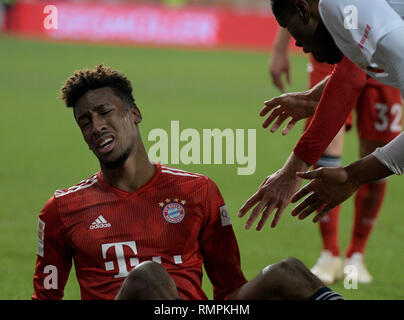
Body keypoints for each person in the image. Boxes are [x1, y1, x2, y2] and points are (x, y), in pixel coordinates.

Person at [32, 64, 342, 300]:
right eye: (85, 122)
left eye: (104, 112)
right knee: (148, 277)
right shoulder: (62, 209)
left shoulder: (198, 191)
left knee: (287, 272)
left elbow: (229, 289)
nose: (96, 126)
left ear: (135, 114)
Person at [238, 0, 404, 234]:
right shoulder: (351, 10)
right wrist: (316, 97)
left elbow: (352, 76)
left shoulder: (335, 6)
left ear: (303, 9)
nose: (299, 45)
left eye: (290, 28)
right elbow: (351, 73)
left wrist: (353, 176)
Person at [267, 26, 402, 284]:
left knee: (377, 158)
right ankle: (329, 252)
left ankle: (356, 256)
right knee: (326, 149)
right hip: (330, 49)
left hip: (384, 50)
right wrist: (279, 48)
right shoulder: (330, 11)